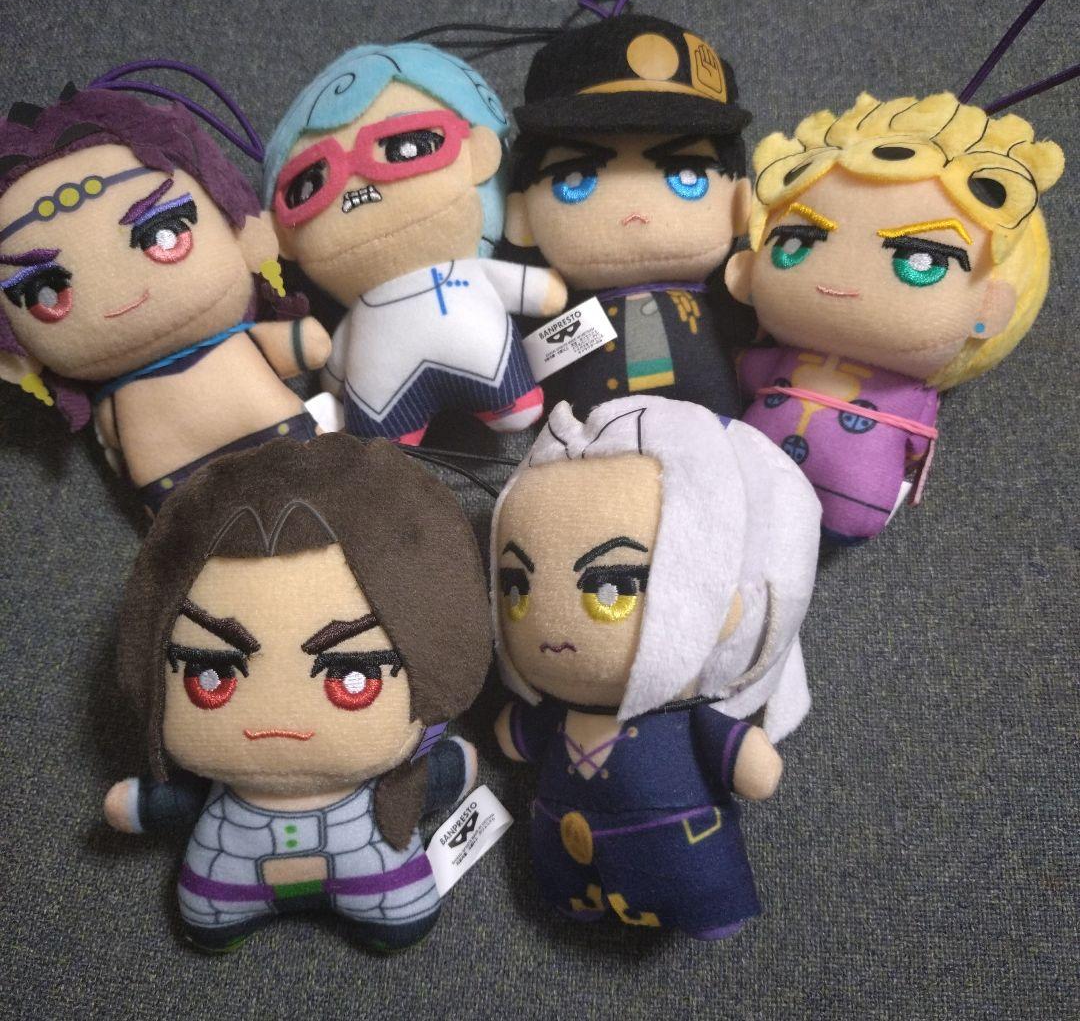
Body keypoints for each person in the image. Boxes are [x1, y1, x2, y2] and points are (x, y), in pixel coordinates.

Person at [103, 434, 492, 952]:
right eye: (210, 675)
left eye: (353, 678)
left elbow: (440, 774)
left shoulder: (401, 773)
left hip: (350, 873)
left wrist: (448, 767)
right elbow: (173, 801)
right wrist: (143, 805)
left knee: (400, 916)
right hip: (234, 885)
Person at [490, 396, 821, 936]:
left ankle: (705, 906)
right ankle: (577, 898)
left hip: (680, 851)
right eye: (516, 590)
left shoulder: (683, 719)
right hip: (562, 845)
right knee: (566, 884)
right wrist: (517, 730)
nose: (551, 626)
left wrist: (744, 755)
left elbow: (748, 767)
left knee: (695, 881)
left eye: (612, 589)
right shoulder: (558, 710)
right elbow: (521, 737)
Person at [726, 91, 1064, 544]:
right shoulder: (786, 356)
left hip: (841, 493)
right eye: (796, 243)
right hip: (742, 474)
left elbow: (916, 436)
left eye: (922, 262)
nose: (842, 279)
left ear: (990, 307)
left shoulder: (907, 388)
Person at [0, 77, 330, 512]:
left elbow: (114, 447)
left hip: (243, 459)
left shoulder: (117, 405)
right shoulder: (118, 398)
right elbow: (311, 346)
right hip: (189, 485)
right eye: (47, 293)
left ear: (242, 231)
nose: (122, 293)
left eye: (165, 235)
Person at [263, 43, 566, 446]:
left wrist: (333, 379)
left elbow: (334, 374)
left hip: (466, 363)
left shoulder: (465, 272)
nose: (356, 187)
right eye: (310, 184)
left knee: (509, 405)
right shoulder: (361, 311)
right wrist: (332, 379)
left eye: (406, 147)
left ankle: (505, 402)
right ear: (282, 235)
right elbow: (334, 370)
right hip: (391, 394)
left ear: (480, 153)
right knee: (383, 449)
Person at [504, 9, 755, 415]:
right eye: (575, 179)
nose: (635, 211)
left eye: (687, 176)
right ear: (522, 217)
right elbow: (523, 363)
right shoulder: (558, 313)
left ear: (741, 204)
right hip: (591, 437)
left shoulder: (729, 296)